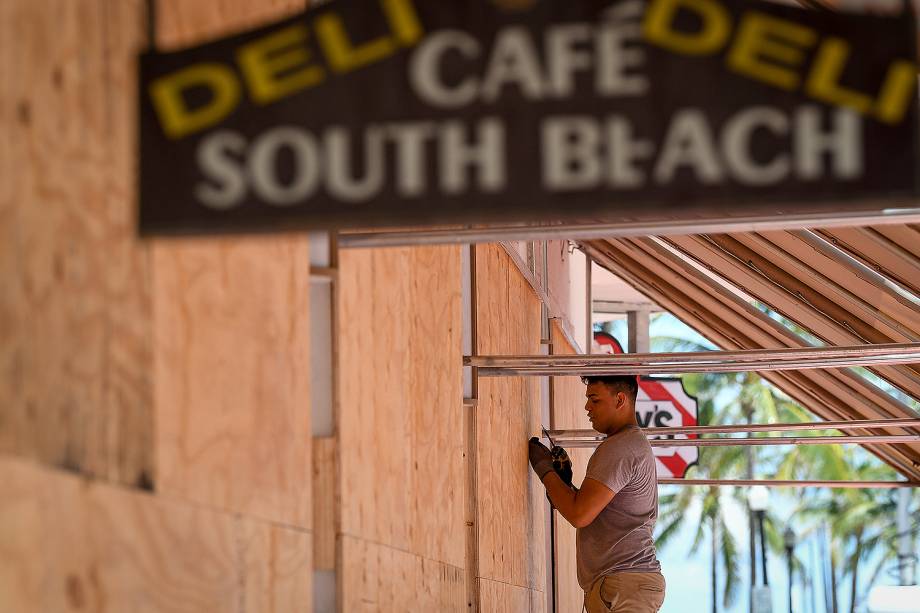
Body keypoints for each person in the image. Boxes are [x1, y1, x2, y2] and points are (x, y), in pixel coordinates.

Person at [528, 374, 665, 613]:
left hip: (623, 582)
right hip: (625, 583)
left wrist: (544, 470)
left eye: (594, 399)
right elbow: (590, 509)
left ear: (620, 399)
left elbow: (579, 514)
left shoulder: (621, 447)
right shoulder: (630, 445)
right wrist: (565, 486)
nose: (587, 407)